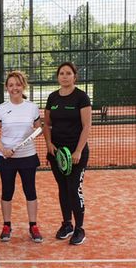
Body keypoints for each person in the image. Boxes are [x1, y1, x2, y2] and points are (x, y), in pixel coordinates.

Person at [0, 70, 43, 243]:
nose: (15, 88)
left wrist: (34, 133)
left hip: (28, 156)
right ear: (7, 87)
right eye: (11, 85)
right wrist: (3, 149)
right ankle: (7, 225)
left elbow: (38, 129)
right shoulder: (1, 109)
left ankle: (33, 226)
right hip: (6, 158)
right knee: (7, 191)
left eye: (18, 84)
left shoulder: (32, 107)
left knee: (30, 191)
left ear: (23, 86)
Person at [43, 62, 92, 245]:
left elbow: (87, 126)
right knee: (63, 189)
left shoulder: (81, 97)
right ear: (58, 77)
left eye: (68, 73)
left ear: (74, 76)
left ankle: (79, 228)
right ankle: (67, 224)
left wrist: (78, 150)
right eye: (61, 73)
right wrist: (48, 143)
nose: (64, 76)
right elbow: (47, 124)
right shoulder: (52, 97)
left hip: (75, 153)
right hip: (57, 154)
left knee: (74, 188)